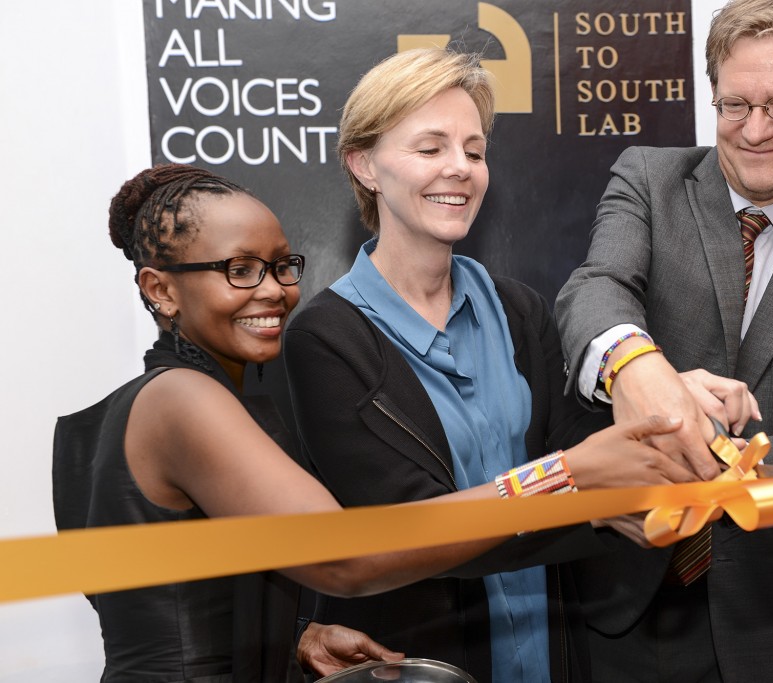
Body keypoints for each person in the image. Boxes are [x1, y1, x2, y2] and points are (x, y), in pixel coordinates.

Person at [52, 163, 687, 682]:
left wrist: (299, 637)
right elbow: (349, 556)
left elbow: (182, 595)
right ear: (160, 290)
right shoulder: (183, 401)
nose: (272, 291)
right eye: (237, 270)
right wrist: (564, 475)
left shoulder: (204, 396)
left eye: (280, 265)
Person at [282, 48, 715, 683]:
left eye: (475, 151)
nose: (459, 169)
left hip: (553, 651)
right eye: (431, 148)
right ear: (365, 164)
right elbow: (407, 533)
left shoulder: (516, 309)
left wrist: (670, 407)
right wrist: (574, 482)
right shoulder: (326, 337)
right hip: (420, 662)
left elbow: (590, 454)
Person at [554, 1, 773, 681]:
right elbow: (594, 290)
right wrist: (641, 372)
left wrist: (705, 450)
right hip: (617, 603)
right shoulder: (649, 181)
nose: (755, 131)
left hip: (764, 625)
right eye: (734, 105)